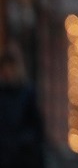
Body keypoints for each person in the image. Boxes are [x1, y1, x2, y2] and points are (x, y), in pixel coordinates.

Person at [0, 40, 46, 168]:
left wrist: (21, 143)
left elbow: (37, 129)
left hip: (22, 158)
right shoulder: (3, 93)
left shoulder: (27, 93)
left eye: (10, 67)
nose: (7, 71)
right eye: (5, 67)